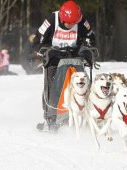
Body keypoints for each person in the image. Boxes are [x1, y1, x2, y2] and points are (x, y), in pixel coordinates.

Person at [33, 0, 96, 131]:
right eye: (69, 23)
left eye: (75, 23)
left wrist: (87, 50)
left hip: (75, 56)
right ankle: (50, 116)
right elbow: (38, 40)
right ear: (62, 18)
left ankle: (84, 115)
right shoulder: (51, 20)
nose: (72, 25)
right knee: (52, 85)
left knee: (82, 83)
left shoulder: (82, 21)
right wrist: (46, 51)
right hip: (54, 57)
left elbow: (91, 38)